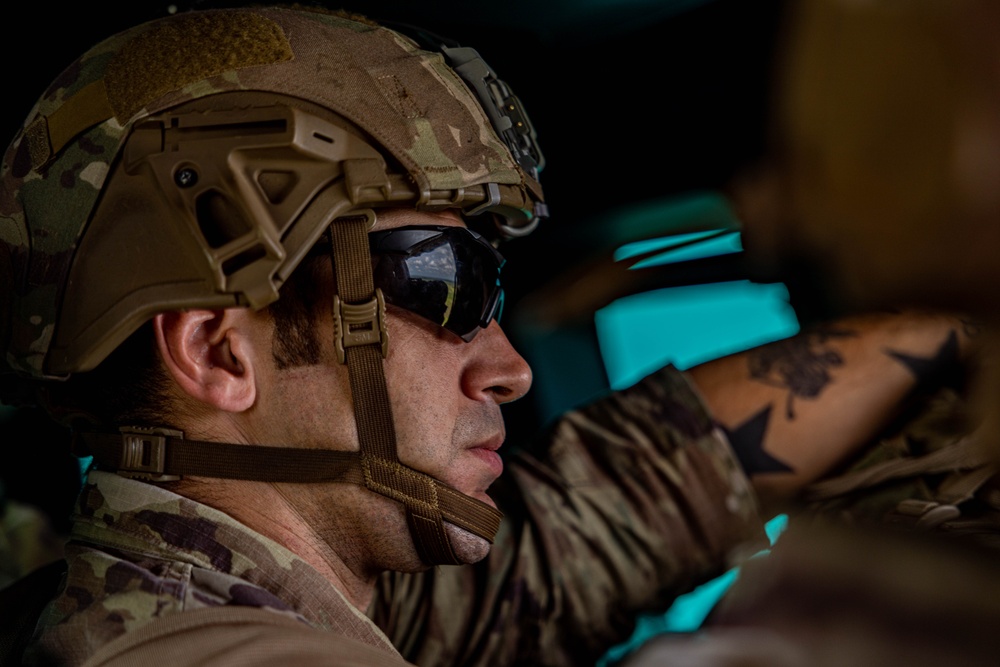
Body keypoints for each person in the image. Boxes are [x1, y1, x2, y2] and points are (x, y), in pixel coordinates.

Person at [0, 5, 975, 666]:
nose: (507, 365)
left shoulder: (286, 588)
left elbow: (624, 500)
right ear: (219, 353)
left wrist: (959, 323)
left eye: (491, 286)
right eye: (441, 283)